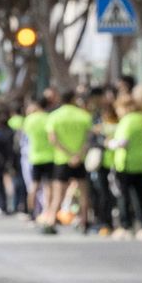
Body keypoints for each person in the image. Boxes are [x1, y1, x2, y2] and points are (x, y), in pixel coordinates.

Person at [45, 89, 93, 233]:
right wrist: (78, 155)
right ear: (73, 99)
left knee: (58, 194)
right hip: (80, 159)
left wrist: (68, 154)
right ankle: (84, 221)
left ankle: (51, 222)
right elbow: (88, 139)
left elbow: (52, 139)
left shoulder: (54, 116)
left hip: (62, 160)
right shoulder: (84, 116)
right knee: (84, 192)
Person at [108, 94, 142, 236]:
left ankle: (125, 226)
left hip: (125, 163)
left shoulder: (127, 121)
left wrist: (110, 143)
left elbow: (123, 142)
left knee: (123, 196)